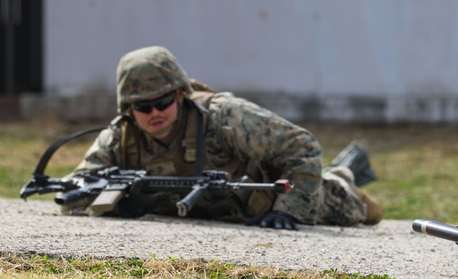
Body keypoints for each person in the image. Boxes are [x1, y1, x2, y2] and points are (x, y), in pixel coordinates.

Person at [64, 45, 382, 229]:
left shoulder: (225, 116)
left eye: (163, 102)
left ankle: (344, 177)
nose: (155, 112)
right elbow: (72, 193)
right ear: (128, 109)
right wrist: (119, 204)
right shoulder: (120, 136)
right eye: (144, 107)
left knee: (360, 212)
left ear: (180, 94)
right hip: (211, 212)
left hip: (265, 200)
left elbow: (302, 147)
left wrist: (286, 211)